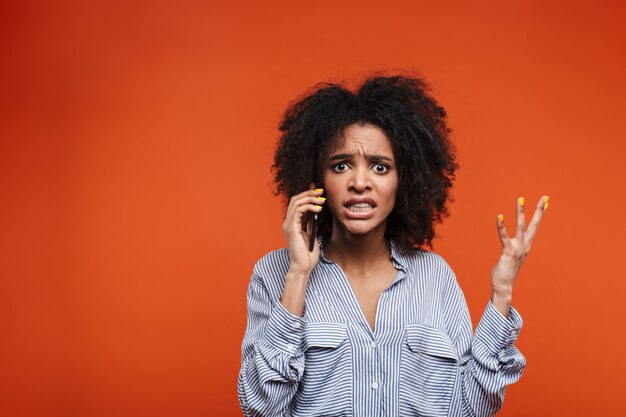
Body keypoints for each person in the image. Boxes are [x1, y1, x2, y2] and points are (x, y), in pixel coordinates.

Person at [237, 73, 548, 417]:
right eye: (341, 166)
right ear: (316, 181)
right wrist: (298, 274)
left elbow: (471, 410)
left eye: (380, 167)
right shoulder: (274, 274)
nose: (359, 182)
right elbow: (261, 408)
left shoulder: (435, 277)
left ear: (405, 181)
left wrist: (501, 294)